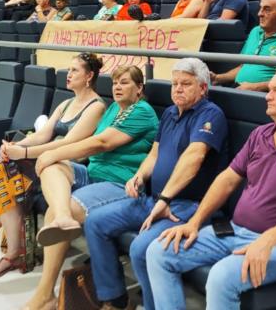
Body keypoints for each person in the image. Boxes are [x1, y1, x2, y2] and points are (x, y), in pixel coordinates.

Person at [148, 69, 276, 310]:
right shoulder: (260, 135)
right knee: (158, 252)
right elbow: (226, 180)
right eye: (269, 90)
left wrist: (268, 239)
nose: (268, 96)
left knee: (220, 277)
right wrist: (194, 222)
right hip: (233, 231)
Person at [76, 59, 228, 310]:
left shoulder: (210, 114)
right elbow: (155, 154)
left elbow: (194, 158)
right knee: (96, 222)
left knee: (140, 248)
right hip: (154, 200)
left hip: (187, 206)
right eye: (174, 83)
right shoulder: (169, 113)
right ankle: (114, 298)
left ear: (203, 88)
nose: (177, 89)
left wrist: (165, 198)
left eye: (186, 84)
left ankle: (152, 306)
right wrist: (139, 176)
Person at [23, 64, 159, 310]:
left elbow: (101, 143)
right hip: (92, 174)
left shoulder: (142, 111)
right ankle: (64, 215)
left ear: (139, 88)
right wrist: (54, 156)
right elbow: (85, 141)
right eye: (116, 82)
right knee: (53, 168)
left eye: (125, 82)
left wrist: (52, 152)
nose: (118, 87)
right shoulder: (113, 110)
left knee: (54, 205)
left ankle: (45, 295)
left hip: (119, 183)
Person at [0, 54, 106, 281]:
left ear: (89, 76)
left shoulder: (96, 106)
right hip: (48, 159)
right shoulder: (66, 103)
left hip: (70, 165)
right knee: (6, 166)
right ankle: (11, 248)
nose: (68, 75)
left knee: (9, 170)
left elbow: (70, 144)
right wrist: (15, 145)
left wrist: (25, 153)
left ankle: (7, 241)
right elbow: (42, 134)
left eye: (75, 71)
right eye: (68, 70)